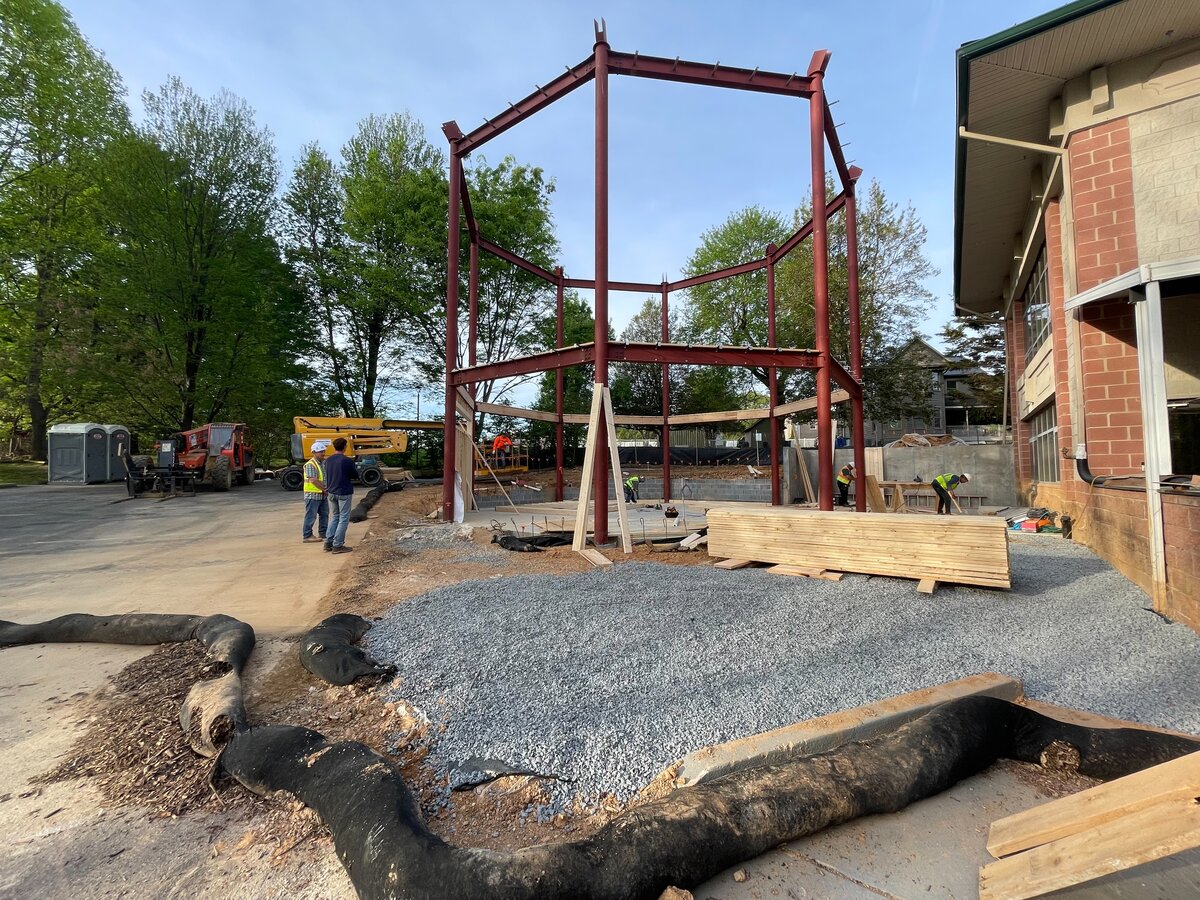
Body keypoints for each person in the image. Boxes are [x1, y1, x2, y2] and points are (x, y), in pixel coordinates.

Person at [323, 437, 359, 553]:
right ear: (344, 447)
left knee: (335, 516)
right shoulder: (347, 461)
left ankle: (328, 542)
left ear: (334, 447)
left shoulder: (327, 460)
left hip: (331, 491)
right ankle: (338, 545)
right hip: (343, 492)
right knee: (343, 518)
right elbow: (355, 475)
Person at [302, 440, 329, 543]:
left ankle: (323, 533)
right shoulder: (310, 464)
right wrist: (325, 489)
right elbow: (313, 480)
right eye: (320, 451)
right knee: (311, 516)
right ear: (314, 452)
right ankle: (307, 535)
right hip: (312, 495)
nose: (323, 453)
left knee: (324, 514)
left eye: (323, 451)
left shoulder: (322, 463)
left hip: (321, 494)